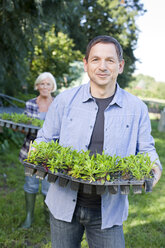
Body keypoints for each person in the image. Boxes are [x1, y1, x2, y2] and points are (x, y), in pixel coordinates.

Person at [34, 36, 162, 248]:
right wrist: (38, 154)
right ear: (86, 64)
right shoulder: (65, 101)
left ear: (120, 66)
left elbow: (147, 149)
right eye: (96, 59)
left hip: (109, 211)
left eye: (110, 60)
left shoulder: (136, 108)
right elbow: (45, 139)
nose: (102, 66)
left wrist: (154, 168)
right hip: (63, 205)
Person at [19, 72, 57, 229]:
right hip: (31, 150)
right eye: (42, 83)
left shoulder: (58, 104)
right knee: (31, 183)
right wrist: (25, 126)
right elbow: (21, 126)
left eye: (48, 84)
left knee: (49, 186)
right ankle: (29, 217)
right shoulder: (30, 104)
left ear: (53, 87)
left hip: (51, 153)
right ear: (37, 86)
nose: (45, 86)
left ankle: (48, 216)